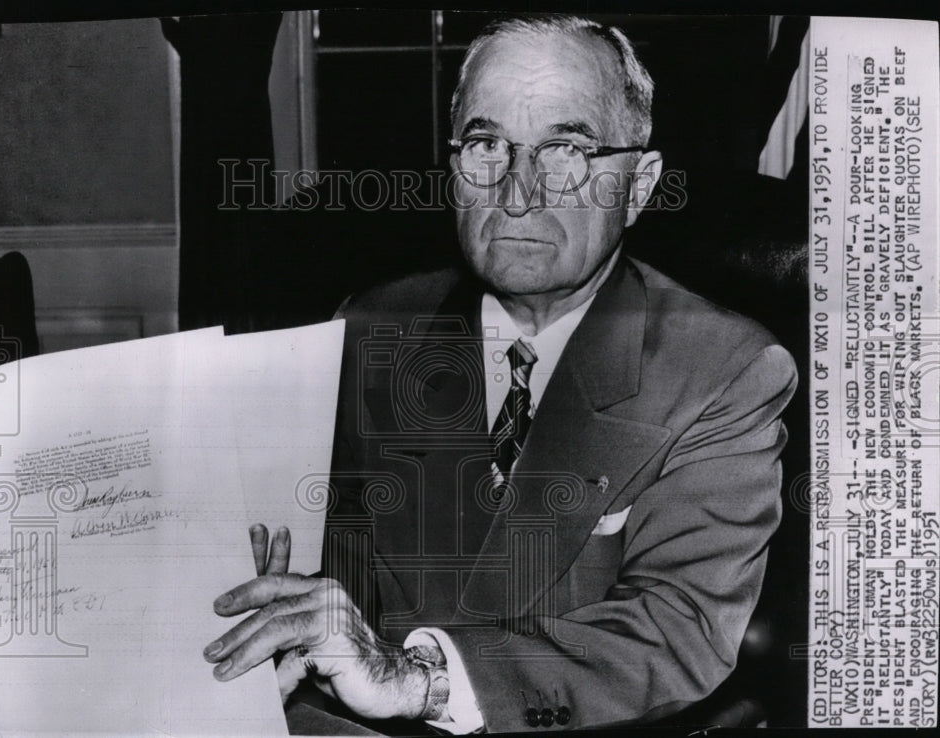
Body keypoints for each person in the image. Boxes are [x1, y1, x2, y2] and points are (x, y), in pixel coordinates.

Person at [203, 15, 798, 732]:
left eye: (565, 151)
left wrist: (421, 680)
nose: (517, 192)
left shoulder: (724, 368)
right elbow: (335, 557)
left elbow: (676, 631)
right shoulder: (373, 324)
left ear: (638, 187)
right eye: (487, 145)